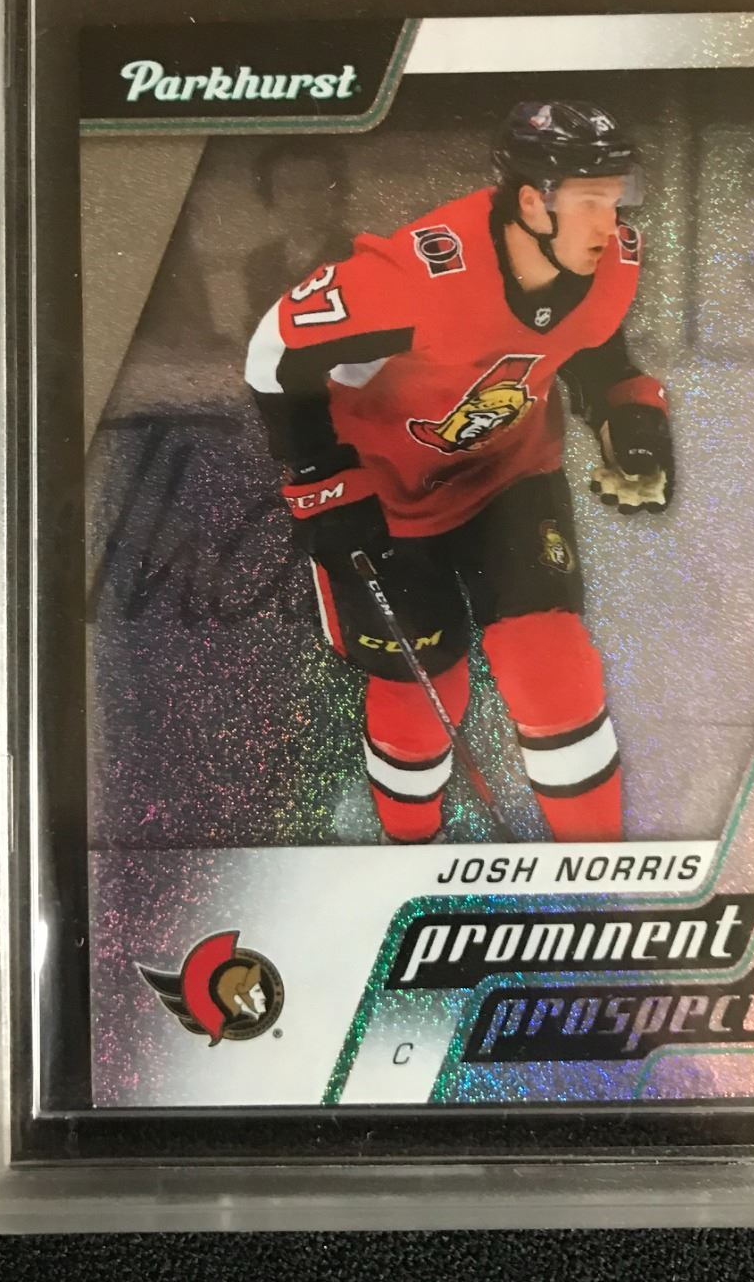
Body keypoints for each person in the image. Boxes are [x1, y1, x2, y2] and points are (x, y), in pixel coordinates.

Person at [245, 102, 675, 845]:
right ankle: (408, 849)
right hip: (387, 496)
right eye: (591, 202)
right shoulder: (415, 276)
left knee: (551, 665)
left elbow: (594, 349)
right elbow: (272, 352)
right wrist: (322, 482)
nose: (611, 223)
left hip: (509, 475)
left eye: (616, 198)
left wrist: (628, 422)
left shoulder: (612, 261)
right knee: (423, 686)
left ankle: (597, 865)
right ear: (533, 202)